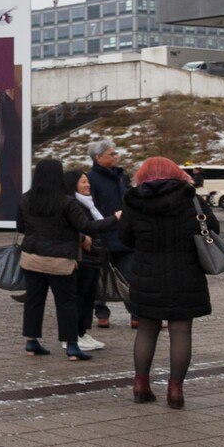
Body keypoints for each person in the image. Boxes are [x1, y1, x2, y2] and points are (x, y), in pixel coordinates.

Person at [120, 156, 216, 409]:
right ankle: (175, 391)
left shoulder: (133, 201)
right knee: (181, 331)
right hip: (186, 275)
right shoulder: (191, 199)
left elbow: (125, 238)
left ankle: (141, 386)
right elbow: (212, 229)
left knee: (146, 329)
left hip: (146, 274)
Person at [16, 159, 117, 361]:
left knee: (34, 302)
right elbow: (86, 226)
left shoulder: (26, 199)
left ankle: (31, 342)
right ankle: (72, 346)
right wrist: (115, 219)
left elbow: (21, 228)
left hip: (32, 258)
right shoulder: (66, 201)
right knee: (67, 303)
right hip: (60, 261)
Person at [87, 139, 136, 329]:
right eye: (112, 154)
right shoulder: (90, 179)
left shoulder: (121, 177)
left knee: (130, 276)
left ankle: (136, 314)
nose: (116, 156)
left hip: (124, 236)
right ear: (98, 158)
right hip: (103, 235)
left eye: (116, 153)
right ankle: (101, 314)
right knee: (100, 277)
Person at [65, 169, 107, 352]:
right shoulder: (73, 204)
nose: (87, 185)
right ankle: (72, 335)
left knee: (89, 297)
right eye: (83, 182)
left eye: (87, 181)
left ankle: (82, 332)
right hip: (82, 258)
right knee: (79, 296)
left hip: (94, 256)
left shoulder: (88, 203)